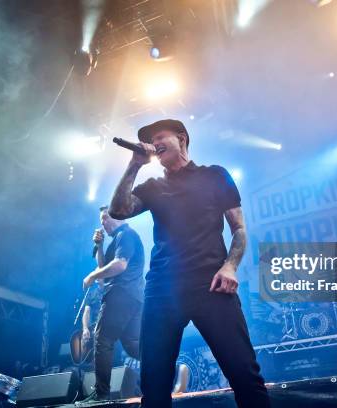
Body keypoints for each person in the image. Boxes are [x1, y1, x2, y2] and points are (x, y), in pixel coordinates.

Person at [108, 119, 270, 408]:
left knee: (245, 375)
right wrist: (135, 164)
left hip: (212, 285)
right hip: (162, 290)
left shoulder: (216, 175)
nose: (154, 143)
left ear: (181, 138)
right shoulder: (152, 186)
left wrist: (230, 266)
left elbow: (239, 229)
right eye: (150, 140)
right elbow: (118, 210)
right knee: (154, 386)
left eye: (160, 136)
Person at [78, 206, 145, 403]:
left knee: (103, 340)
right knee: (133, 346)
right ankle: (171, 367)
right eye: (101, 220)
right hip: (133, 298)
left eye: (105, 219)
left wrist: (91, 275)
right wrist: (99, 246)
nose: (103, 224)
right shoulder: (117, 239)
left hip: (121, 293)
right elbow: (103, 268)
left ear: (117, 216)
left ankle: (101, 395)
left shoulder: (126, 234)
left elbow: (119, 265)